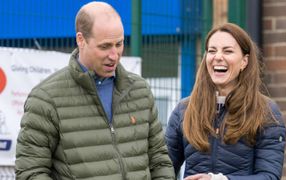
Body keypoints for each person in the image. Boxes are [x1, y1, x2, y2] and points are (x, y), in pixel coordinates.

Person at [15, 1, 175, 180]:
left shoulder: (140, 91)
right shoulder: (46, 99)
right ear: (81, 40)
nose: (114, 55)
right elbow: (30, 172)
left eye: (119, 44)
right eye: (105, 46)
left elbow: (159, 161)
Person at [165, 23, 286, 180]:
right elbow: (164, 168)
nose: (218, 57)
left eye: (228, 51)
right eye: (212, 51)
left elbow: (270, 176)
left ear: (244, 61)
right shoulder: (184, 110)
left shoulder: (266, 111)